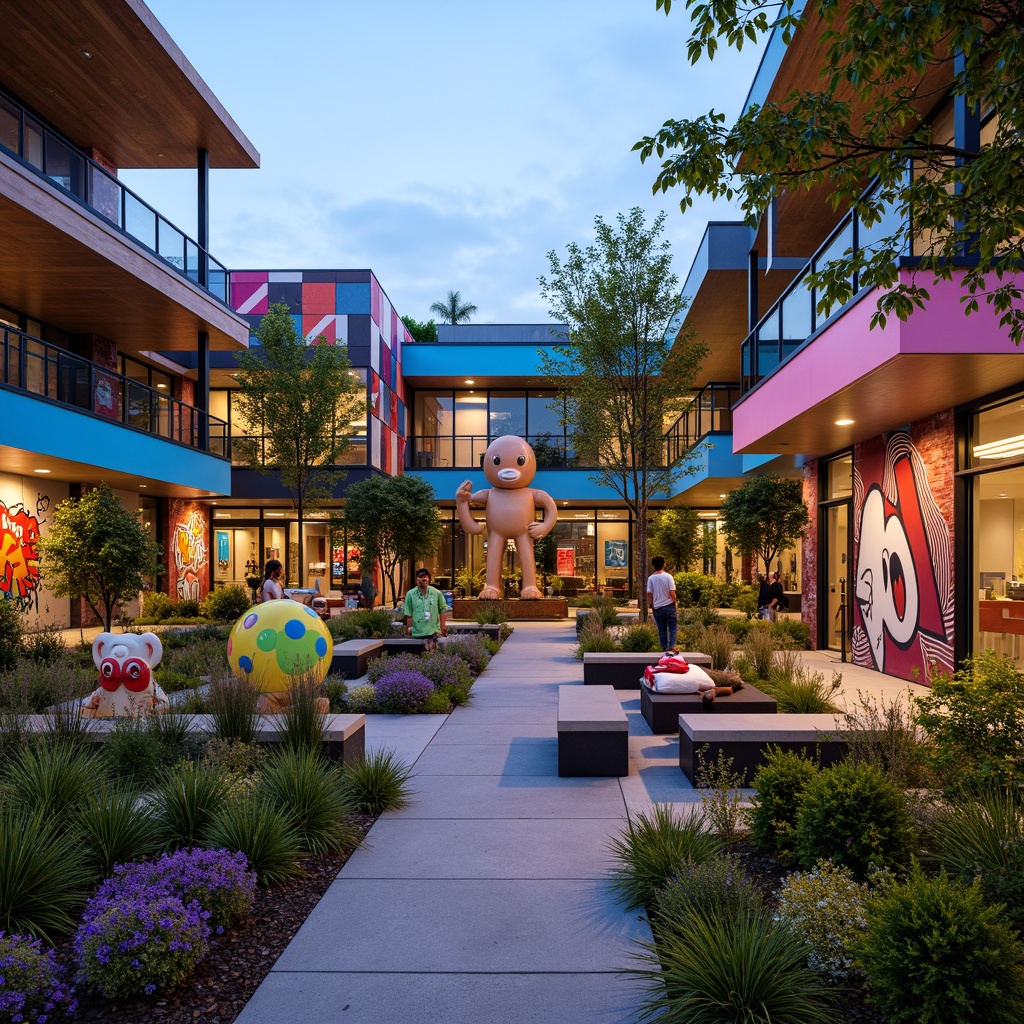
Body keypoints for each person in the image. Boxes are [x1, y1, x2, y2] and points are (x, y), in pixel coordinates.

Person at [404, 567, 448, 651]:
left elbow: (443, 610)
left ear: (429, 580)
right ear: (416, 579)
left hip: (433, 631)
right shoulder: (410, 594)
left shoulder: (436, 593)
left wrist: (443, 627)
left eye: (425, 577)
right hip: (417, 632)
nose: (423, 580)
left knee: (433, 656)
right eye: (420, 577)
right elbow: (408, 613)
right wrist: (409, 629)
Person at [646, 556, 678, 654]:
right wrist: (675, 603)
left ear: (652, 566)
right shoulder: (668, 577)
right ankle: (671, 646)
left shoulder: (650, 578)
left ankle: (664, 648)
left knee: (661, 629)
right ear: (664, 564)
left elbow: (649, 593)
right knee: (672, 627)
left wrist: (651, 605)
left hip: (657, 608)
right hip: (669, 606)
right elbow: (672, 592)